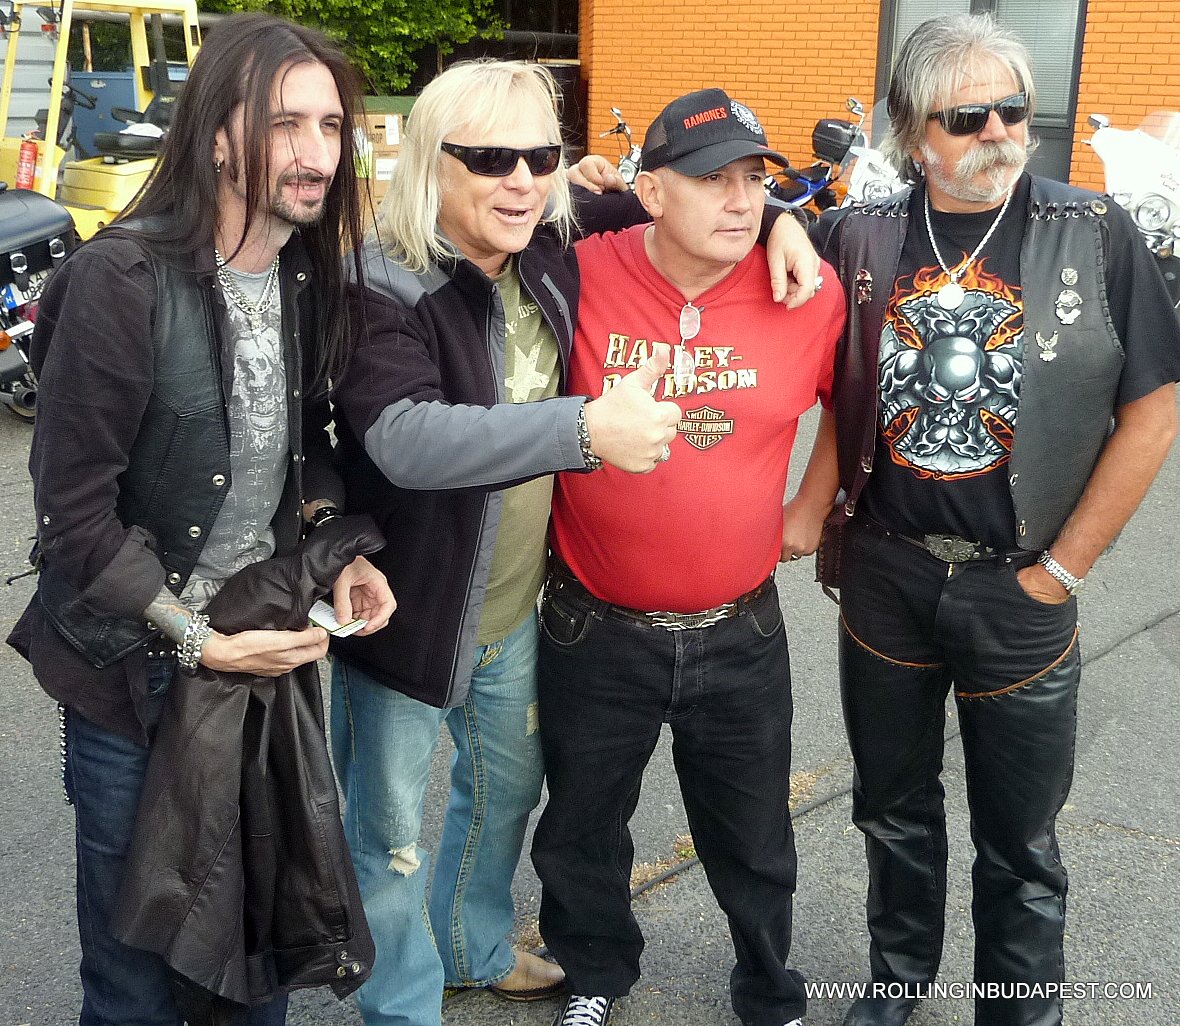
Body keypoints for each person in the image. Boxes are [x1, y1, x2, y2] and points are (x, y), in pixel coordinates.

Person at [328, 63, 822, 1026]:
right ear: (430, 161)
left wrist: (779, 221)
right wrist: (585, 429)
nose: (520, 180)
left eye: (540, 156)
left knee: (505, 801)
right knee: (387, 835)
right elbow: (406, 437)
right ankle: (402, 1007)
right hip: (405, 614)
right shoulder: (378, 282)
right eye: (489, 158)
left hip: (519, 610)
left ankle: (473, 947)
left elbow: (688, 202)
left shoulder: (547, 240)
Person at [7, 14, 395, 1025]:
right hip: (132, 673)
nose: (316, 153)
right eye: (284, 125)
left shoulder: (307, 273)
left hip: (255, 649)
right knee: (135, 980)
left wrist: (336, 552)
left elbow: (303, 449)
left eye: (330, 125)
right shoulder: (119, 281)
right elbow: (74, 517)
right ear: (219, 136)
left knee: (252, 962)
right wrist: (199, 642)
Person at [808, 15, 1180, 1026]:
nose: (999, 133)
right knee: (891, 811)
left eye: (1012, 109)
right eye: (966, 117)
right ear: (910, 132)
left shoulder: (1091, 231)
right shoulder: (861, 235)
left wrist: (1062, 570)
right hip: (886, 574)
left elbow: (1154, 408)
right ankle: (894, 986)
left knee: (1019, 843)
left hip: (1019, 586)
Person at [530, 88, 846, 1026]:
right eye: (712, 179)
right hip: (596, 624)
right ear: (653, 192)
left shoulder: (806, 291)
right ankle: (595, 977)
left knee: (754, 834)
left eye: (755, 179)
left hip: (739, 629)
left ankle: (769, 989)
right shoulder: (579, 271)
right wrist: (580, 184)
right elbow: (485, 215)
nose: (740, 200)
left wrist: (810, 507)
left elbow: (848, 401)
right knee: (582, 824)